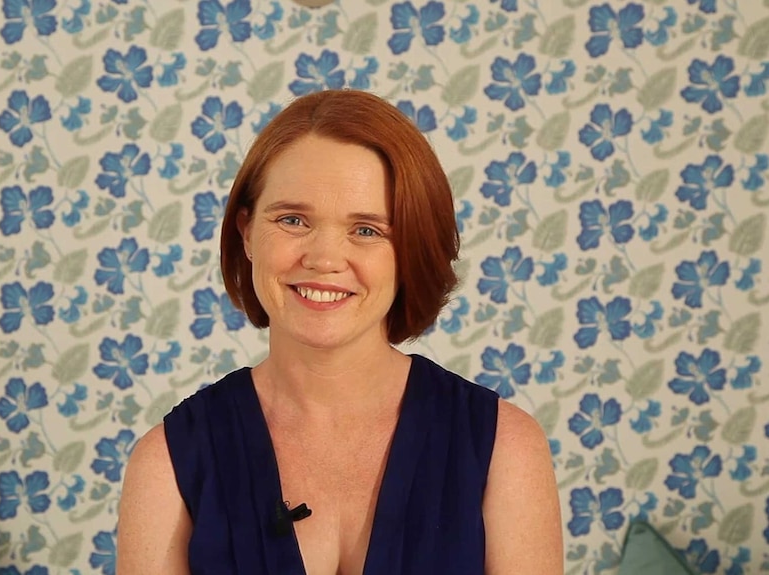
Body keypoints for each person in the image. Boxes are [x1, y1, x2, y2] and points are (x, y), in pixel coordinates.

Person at [117, 90, 563, 574]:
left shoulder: (507, 448)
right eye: (293, 219)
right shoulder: (165, 463)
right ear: (246, 233)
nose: (325, 259)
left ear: (411, 245)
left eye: (367, 229)